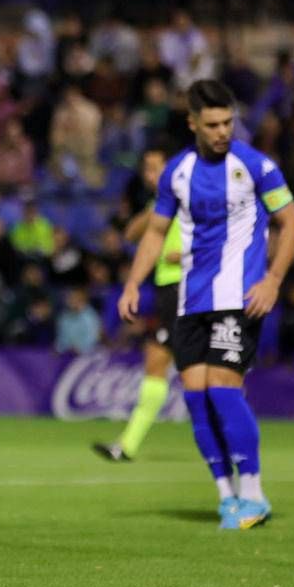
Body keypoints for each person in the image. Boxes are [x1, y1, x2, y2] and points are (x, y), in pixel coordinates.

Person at [119, 80, 294, 531]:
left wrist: (274, 279)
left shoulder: (257, 166)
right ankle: (226, 496)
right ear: (192, 124)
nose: (223, 131)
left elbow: (291, 223)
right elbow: (156, 233)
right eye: (213, 124)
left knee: (223, 387)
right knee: (197, 398)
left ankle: (254, 493)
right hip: (189, 299)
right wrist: (132, 284)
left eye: (228, 122)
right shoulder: (176, 173)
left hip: (238, 297)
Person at [94, 147, 183, 462]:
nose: (149, 176)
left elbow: (220, 238)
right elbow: (130, 233)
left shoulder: (193, 200)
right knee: (158, 361)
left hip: (191, 288)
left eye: (155, 168)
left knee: (197, 370)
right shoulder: (160, 204)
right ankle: (128, 445)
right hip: (167, 292)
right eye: (146, 170)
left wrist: (187, 255)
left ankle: (230, 442)